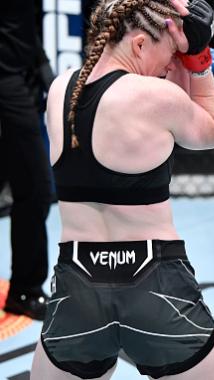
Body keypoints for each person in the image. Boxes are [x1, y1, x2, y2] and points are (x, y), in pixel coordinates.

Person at [30, 0, 214, 379]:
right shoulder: (155, 98)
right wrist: (198, 58)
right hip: (154, 284)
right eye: (167, 53)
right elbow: (210, 132)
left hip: (77, 287)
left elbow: (160, 117)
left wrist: (176, 49)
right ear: (140, 45)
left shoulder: (62, 88)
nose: (169, 64)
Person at [0, 0, 54, 320]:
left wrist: (46, 72)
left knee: (32, 187)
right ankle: (26, 289)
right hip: (8, 83)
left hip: (21, 78)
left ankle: (25, 288)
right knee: (35, 187)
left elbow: (23, 27)